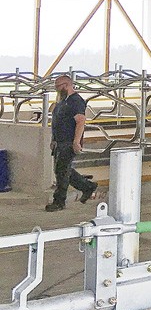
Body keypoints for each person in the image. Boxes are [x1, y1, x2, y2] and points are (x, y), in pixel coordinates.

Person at [46, 74, 97, 212]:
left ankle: (59, 201)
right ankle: (87, 186)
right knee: (62, 170)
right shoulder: (63, 101)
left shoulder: (76, 101)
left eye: (58, 87)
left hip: (68, 142)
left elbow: (80, 121)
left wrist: (76, 142)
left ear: (66, 85)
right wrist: (53, 140)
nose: (57, 90)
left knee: (62, 172)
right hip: (60, 141)